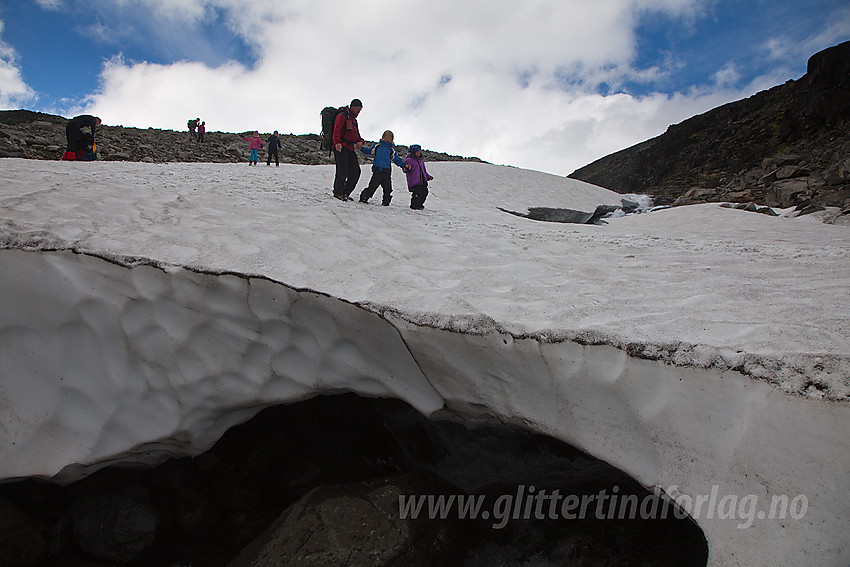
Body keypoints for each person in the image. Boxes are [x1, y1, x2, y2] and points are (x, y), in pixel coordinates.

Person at [358, 130, 410, 205]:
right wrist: (361, 148)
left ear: (392, 140)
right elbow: (369, 151)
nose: (387, 139)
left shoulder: (391, 150)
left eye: (389, 138)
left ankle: (386, 202)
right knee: (373, 185)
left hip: (386, 171)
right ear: (382, 137)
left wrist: (404, 165)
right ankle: (364, 197)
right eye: (386, 137)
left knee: (388, 188)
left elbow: (397, 159)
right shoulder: (377, 146)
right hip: (377, 169)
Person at [331, 98, 365, 201]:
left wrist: (360, 142)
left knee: (355, 171)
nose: (359, 111)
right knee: (342, 170)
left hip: (350, 148)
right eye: (358, 109)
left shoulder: (353, 120)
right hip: (341, 146)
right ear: (352, 107)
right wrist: (337, 142)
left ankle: (345, 192)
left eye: (360, 109)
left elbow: (357, 136)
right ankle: (338, 192)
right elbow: (336, 129)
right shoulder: (343, 115)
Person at [404, 144, 433, 210]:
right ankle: (414, 205)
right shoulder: (409, 160)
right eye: (417, 152)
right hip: (414, 181)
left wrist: (428, 177)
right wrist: (407, 168)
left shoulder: (420, 160)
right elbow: (404, 169)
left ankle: (419, 204)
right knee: (417, 193)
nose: (418, 153)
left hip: (422, 181)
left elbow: (423, 171)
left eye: (419, 152)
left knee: (425, 192)